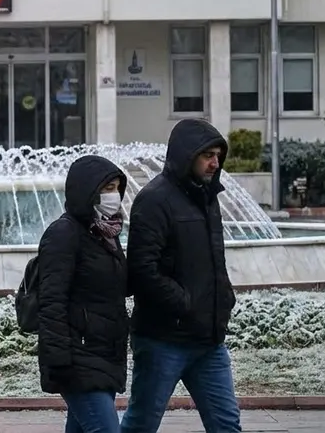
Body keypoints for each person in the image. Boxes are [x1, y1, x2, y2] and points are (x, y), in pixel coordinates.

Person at [120, 118, 241, 433]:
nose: (215, 163)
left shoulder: (208, 196)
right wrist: (184, 303)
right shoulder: (154, 199)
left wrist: (223, 297)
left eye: (218, 155)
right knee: (141, 424)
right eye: (207, 155)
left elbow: (214, 260)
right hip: (164, 340)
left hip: (209, 340)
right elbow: (142, 268)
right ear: (187, 155)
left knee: (227, 425)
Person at [37, 155, 130, 433]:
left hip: (105, 354)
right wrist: (59, 362)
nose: (113, 195)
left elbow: (117, 287)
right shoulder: (64, 234)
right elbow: (51, 301)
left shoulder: (107, 234)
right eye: (106, 188)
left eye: (116, 187)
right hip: (78, 359)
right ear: (86, 190)